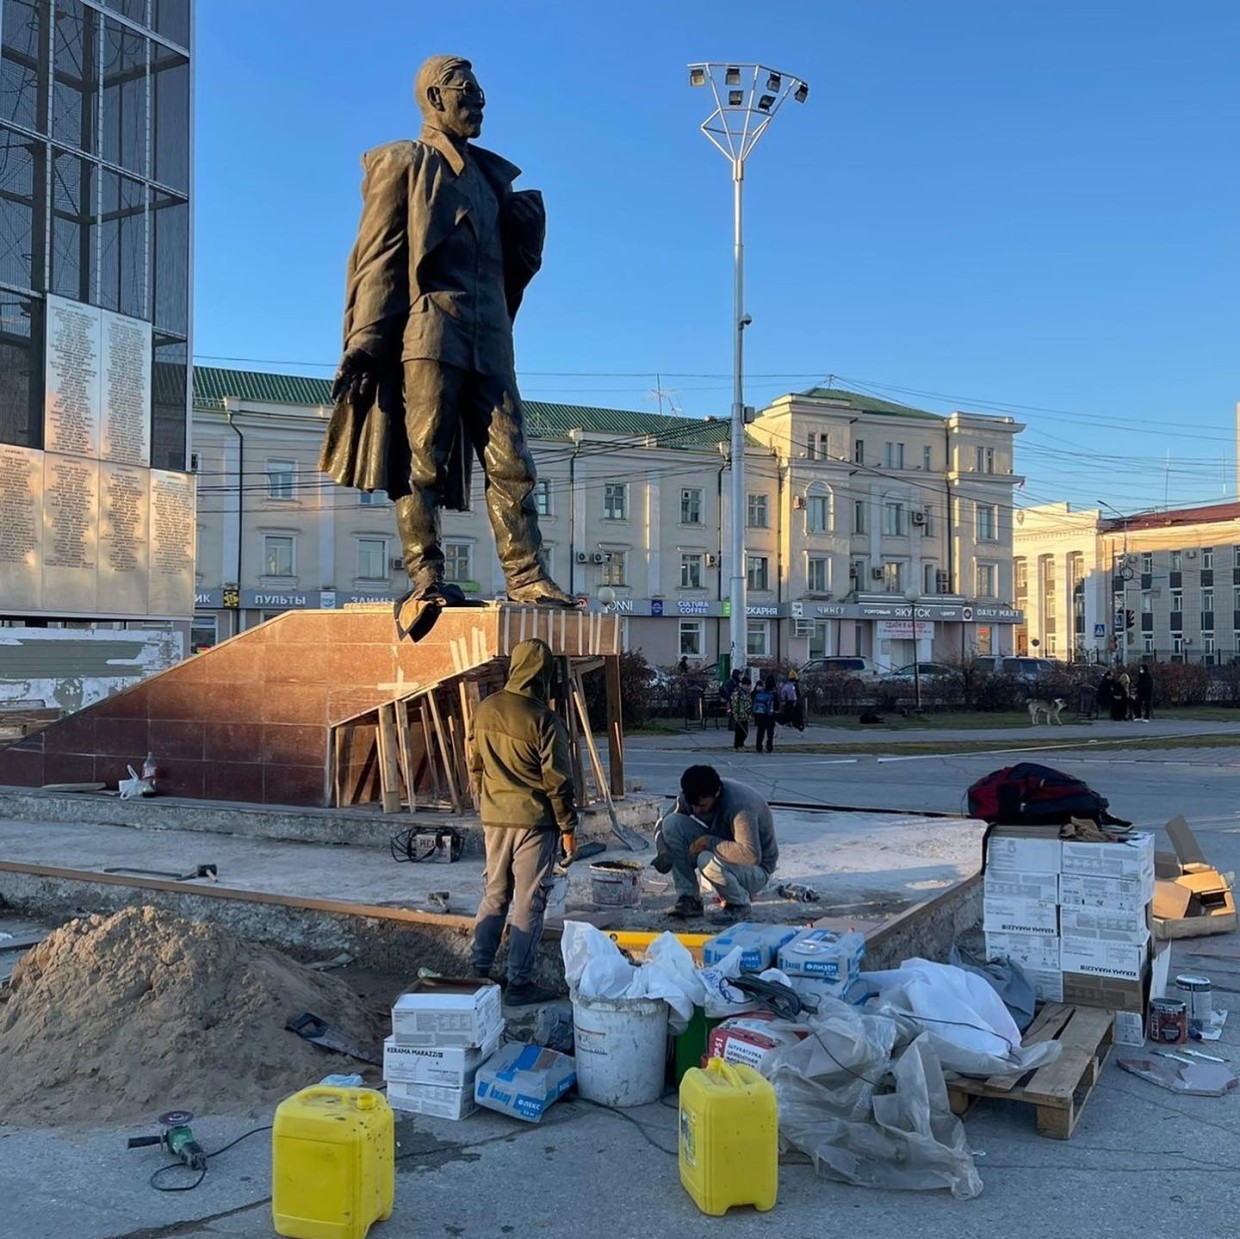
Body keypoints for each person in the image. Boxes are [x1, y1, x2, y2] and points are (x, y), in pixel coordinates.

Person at [321, 54, 573, 609]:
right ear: (435, 98)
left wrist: (528, 241)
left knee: (513, 461)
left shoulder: (491, 179)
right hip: (430, 331)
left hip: (491, 336)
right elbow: (379, 252)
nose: (480, 101)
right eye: (468, 91)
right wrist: (365, 337)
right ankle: (426, 575)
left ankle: (527, 575)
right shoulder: (404, 162)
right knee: (423, 460)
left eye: (481, 92)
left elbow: (506, 269)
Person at [469, 637, 577, 1005]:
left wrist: (489, 802)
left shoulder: (485, 709)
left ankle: (479, 971)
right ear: (543, 675)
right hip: (535, 822)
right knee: (529, 901)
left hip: (494, 818)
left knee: (495, 893)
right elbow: (558, 782)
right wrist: (568, 829)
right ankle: (519, 983)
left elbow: (476, 767)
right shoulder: (544, 720)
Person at [654, 764, 778, 924]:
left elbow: (751, 855)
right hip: (723, 852)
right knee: (672, 824)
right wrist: (663, 851)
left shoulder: (740, 807)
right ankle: (689, 899)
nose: (696, 811)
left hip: (756, 870)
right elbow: (662, 823)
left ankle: (738, 905)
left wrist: (708, 842)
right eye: (693, 806)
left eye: (702, 806)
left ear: (717, 793)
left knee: (706, 860)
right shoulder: (692, 796)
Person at [752, 674, 777, 753]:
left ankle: (758, 747)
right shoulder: (774, 693)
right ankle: (769, 747)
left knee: (760, 731)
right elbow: (777, 705)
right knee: (770, 732)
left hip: (761, 714)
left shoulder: (761, 692)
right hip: (770, 715)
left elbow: (752, 696)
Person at [731, 674, 753, 750]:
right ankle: (738, 745)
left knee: (745, 732)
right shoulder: (738, 693)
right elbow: (735, 705)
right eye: (747, 685)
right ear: (743, 685)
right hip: (739, 715)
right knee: (740, 732)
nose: (749, 687)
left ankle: (741, 744)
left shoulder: (747, 693)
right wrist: (735, 715)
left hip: (746, 715)